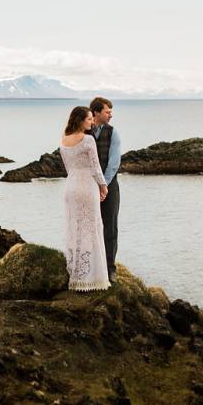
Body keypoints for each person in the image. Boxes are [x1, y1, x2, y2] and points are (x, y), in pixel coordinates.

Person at [59, 106, 111, 292]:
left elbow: (68, 169)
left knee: (75, 230)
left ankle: (76, 276)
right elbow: (96, 168)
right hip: (87, 187)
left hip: (70, 188)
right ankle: (94, 279)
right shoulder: (88, 140)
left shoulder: (64, 140)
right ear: (80, 120)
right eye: (89, 119)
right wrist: (104, 187)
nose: (91, 122)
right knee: (92, 229)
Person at [88, 97, 121, 283]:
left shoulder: (113, 133)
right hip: (88, 187)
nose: (111, 115)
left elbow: (114, 163)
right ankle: (92, 266)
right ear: (96, 113)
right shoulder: (84, 132)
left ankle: (110, 269)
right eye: (108, 111)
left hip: (110, 187)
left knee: (110, 227)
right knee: (90, 227)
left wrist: (104, 186)